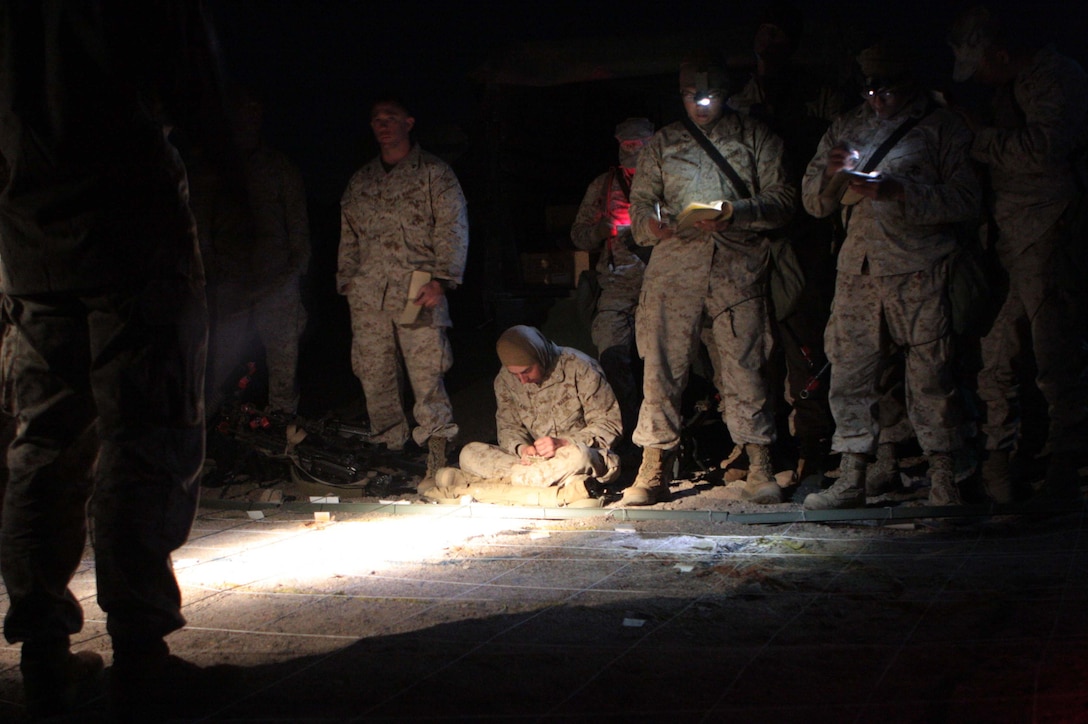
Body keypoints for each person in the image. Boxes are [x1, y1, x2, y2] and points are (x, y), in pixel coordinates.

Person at [0, 1, 236, 719]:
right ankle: (140, 656)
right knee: (146, 438)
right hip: (131, 235)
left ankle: (44, 658)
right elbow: (197, 91)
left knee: (43, 446)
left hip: (31, 242)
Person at [800, 41, 981, 510]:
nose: (879, 99)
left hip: (920, 266)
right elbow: (815, 204)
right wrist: (834, 176)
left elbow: (967, 200)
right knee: (851, 371)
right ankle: (853, 475)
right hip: (859, 271)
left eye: (888, 89)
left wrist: (901, 191)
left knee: (930, 376)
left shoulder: (941, 128)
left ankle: (944, 477)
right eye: (871, 90)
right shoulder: (848, 125)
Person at [621, 52, 796, 506]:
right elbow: (641, 203)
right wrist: (651, 225)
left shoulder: (755, 136)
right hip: (674, 269)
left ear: (725, 94)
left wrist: (738, 211)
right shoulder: (663, 143)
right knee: (661, 369)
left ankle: (758, 462)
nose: (700, 105)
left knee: (745, 365)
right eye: (690, 97)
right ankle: (654, 465)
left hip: (737, 267)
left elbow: (783, 198)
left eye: (710, 96)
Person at [948, 6, 1088, 503]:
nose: (980, 78)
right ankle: (1001, 461)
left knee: (1056, 356)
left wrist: (981, 139)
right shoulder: (1010, 88)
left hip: (1050, 231)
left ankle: (1067, 465)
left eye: (982, 65)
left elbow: (1044, 148)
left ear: (1002, 54)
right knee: (998, 355)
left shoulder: (1057, 78)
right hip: (1007, 238)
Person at [726, 2, 846, 481]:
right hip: (749, 238)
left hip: (803, 237)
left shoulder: (818, 96)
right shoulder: (739, 101)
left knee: (804, 343)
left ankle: (813, 443)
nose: (769, 41)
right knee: (751, 347)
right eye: (764, 31)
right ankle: (755, 444)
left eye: (779, 33)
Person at [337, 95, 469, 483]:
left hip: (419, 291)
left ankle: (437, 446)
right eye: (377, 119)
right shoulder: (362, 181)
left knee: (427, 375)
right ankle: (388, 449)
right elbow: (349, 235)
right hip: (369, 296)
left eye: (391, 118)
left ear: (409, 123)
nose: (383, 125)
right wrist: (347, 279)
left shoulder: (433, 173)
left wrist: (442, 279)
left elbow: (453, 226)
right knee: (374, 373)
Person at [203, 87, 311, 418]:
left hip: (277, 282)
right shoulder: (215, 168)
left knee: (283, 366)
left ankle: (282, 435)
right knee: (219, 362)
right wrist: (209, 277)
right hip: (231, 283)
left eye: (256, 110)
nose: (250, 116)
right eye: (243, 109)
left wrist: (296, 272)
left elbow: (298, 223)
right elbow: (200, 225)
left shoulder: (279, 166)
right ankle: (206, 433)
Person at [426, 325, 621, 507]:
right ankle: (564, 489)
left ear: (540, 355)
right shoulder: (505, 379)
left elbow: (610, 425)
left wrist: (563, 443)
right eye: (516, 374)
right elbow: (508, 428)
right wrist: (522, 448)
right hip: (532, 464)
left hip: (571, 455)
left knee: (581, 457)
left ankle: (479, 486)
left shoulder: (581, 368)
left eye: (527, 371)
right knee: (469, 454)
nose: (522, 380)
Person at [570, 117, 654, 443]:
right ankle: (625, 435)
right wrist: (599, 231)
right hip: (616, 286)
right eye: (626, 144)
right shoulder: (603, 185)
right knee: (612, 358)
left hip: (660, 284)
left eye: (638, 144)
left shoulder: (668, 181)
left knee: (659, 365)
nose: (631, 150)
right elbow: (578, 235)